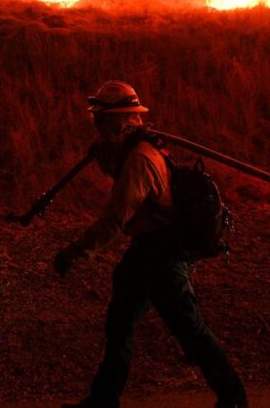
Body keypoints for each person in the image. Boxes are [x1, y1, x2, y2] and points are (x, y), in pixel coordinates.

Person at [55, 81, 248, 408]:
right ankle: (104, 399)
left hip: (161, 253)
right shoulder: (133, 150)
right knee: (120, 323)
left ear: (119, 120)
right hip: (146, 250)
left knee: (189, 329)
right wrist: (104, 153)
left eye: (101, 119)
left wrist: (75, 252)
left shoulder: (141, 159)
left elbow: (115, 219)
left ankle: (233, 398)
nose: (97, 126)